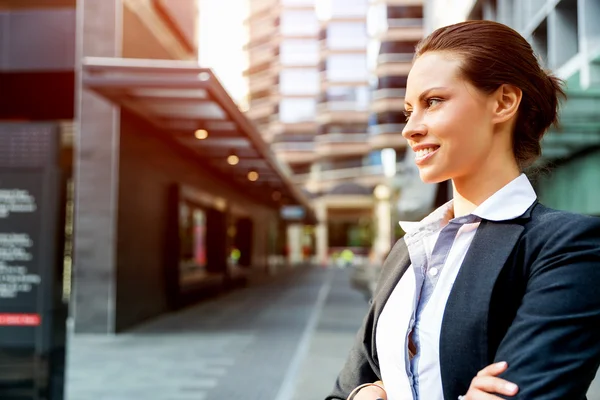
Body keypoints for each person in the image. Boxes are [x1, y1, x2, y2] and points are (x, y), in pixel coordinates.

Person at [326, 20, 600, 400]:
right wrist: (360, 395)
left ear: (503, 102)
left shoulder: (568, 247)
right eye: (409, 110)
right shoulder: (408, 251)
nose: (410, 128)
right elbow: (343, 391)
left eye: (433, 102)